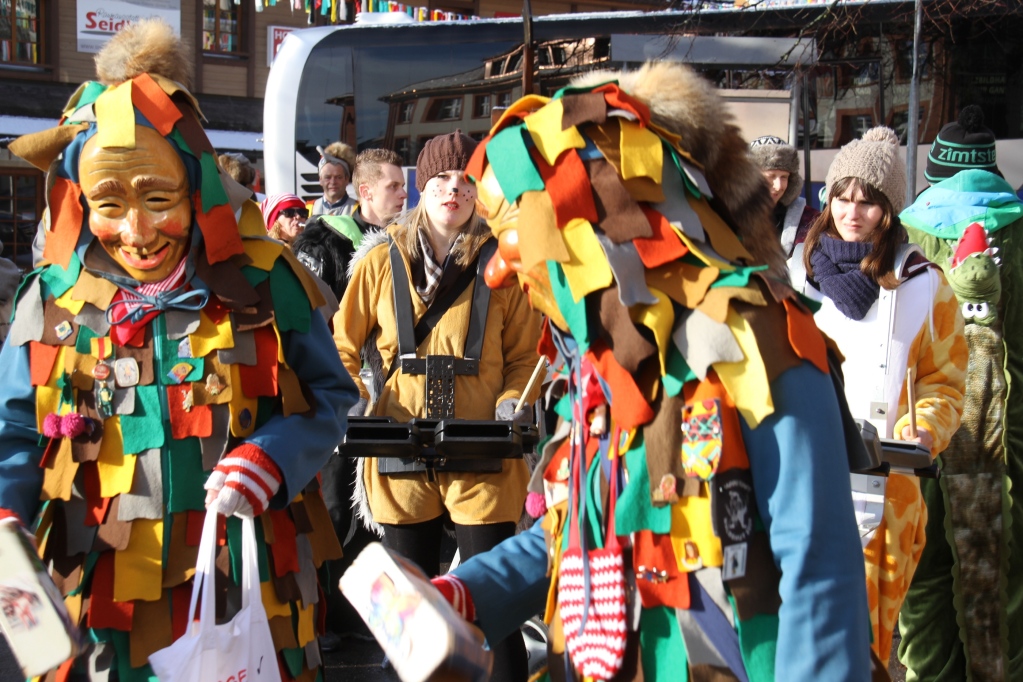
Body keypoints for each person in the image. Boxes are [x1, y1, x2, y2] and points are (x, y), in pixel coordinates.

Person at [415, 61, 874, 680]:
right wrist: (463, 594)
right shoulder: (596, 362)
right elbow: (585, 534)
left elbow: (818, 567)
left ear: (599, 222)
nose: (500, 269)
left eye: (514, 236)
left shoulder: (762, 335)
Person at [0, 19, 358, 680]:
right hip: (101, 592)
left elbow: (332, 396)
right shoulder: (47, 301)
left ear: (197, 189)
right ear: (79, 201)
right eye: (108, 203)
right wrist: (6, 512)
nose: (136, 231)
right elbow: (15, 434)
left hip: (246, 584)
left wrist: (273, 458)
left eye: (158, 198)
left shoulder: (265, 279)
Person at [333, 130, 543, 681]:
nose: (455, 188)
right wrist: (356, 396)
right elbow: (341, 344)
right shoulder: (379, 259)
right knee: (407, 613)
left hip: (484, 452)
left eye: (466, 179)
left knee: (493, 608)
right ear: (421, 187)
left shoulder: (505, 263)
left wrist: (512, 403)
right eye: (442, 179)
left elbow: (526, 355)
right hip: (400, 449)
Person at [790, 126, 966, 666]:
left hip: (885, 483)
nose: (852, 211)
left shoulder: (923, 282)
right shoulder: (796, 274)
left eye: (867, 201)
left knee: (865, 638)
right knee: (802, 628)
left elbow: (945, 381)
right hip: (802, 475)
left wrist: (924, 430)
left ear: (888, 210)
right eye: (841, 197)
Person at [898, 105, 1023, 681]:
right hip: (1007, 441)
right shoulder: (1018, 230)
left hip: (921, 426)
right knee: (999, 580)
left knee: (923, 576)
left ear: (935, 174)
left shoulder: (904, 235)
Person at [293, 147, 407, 301]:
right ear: (366, 192)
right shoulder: (325, 243)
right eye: (393, 186)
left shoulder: (405, 242)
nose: (404, 194)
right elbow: (304, 307)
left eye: (402, 186)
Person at [747, 135, 819, 255]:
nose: (779, 186)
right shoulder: (726, 214)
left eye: (784, 177)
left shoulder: (809, 220)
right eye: (771, 176)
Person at [310, 141, 357, 217]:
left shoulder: (358, 210)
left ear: (347, 179)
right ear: (320, 180)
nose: (333, 182)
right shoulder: (309, 208)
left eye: (338, 177)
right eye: (327, 177)